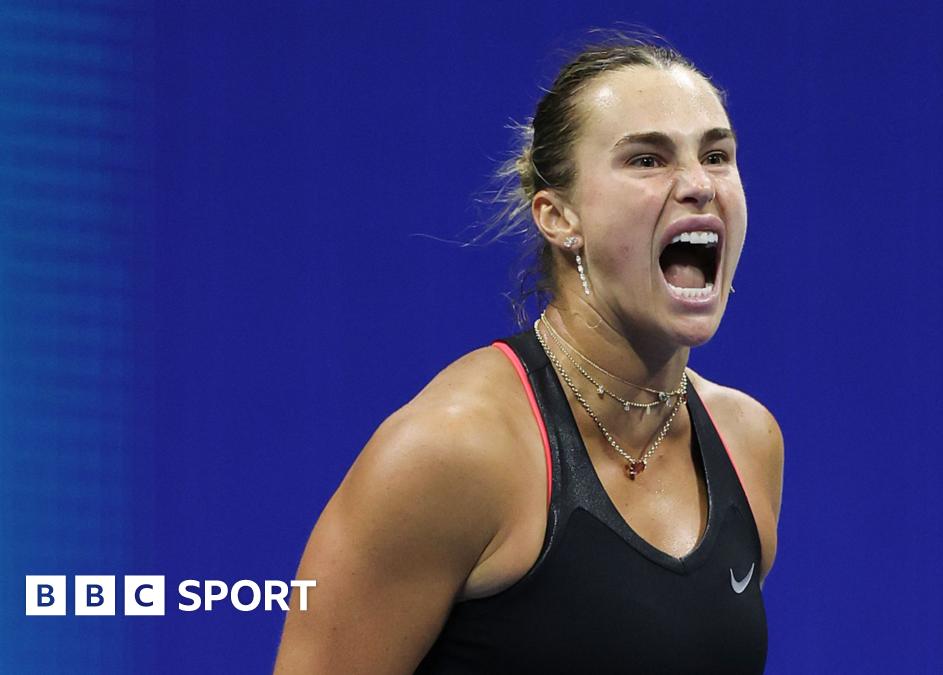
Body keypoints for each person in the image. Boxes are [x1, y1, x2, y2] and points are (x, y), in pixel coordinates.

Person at [273, 36, 784, 674]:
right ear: (557, 216)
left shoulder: (747, 442)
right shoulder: (455, 451)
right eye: (647, 160)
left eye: (716, 155)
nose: (698, 185)